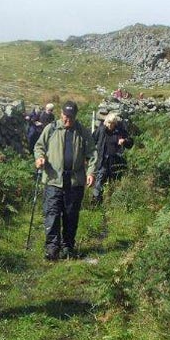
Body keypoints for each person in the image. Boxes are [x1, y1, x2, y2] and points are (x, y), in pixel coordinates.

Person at [34, 101, 97, 260]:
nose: (67, 119)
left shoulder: (82, 132)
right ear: (61, 113)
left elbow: (92, 153)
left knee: (71, 215)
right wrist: (40, 158)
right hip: (53, 180)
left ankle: (68, 247)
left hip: (75, 182)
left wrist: (91, 172)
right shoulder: (51, 128)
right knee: (52, 214)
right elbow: (39, 146)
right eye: (65, 115)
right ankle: (52, 248)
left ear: (75, 116)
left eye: (70, 117)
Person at [91, 112, 133, 206]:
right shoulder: (101, 130)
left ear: (115, 123)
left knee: (114, 183)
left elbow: (130, 142)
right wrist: (90, 156)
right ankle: (96, 205)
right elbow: (91, 141)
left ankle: (113, 204)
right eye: (109, 123)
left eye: (112, 123)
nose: (110, 125)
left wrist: (125, 141)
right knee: (99, 183)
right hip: (103, 161)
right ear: (106, 122)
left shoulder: (120, 131)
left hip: (116, 162)